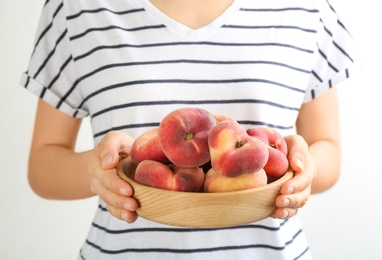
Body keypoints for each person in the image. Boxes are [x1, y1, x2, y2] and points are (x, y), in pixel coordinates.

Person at [21, 0, 356, 259]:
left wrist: (303, 167)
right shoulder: (77, 9)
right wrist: (95, 172)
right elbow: (43, 166)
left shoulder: (307, 8)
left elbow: (326, 149)